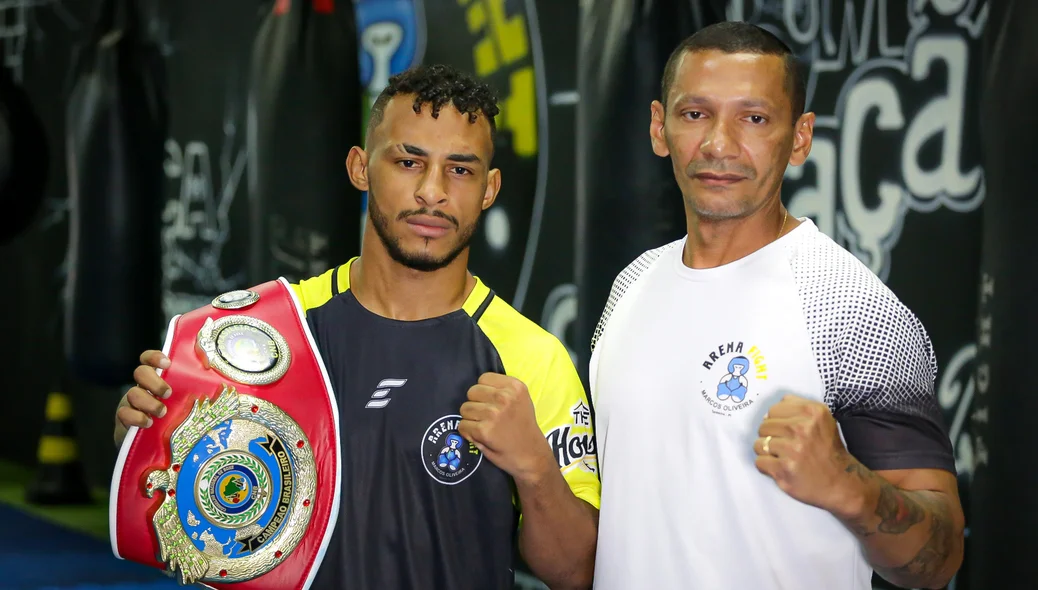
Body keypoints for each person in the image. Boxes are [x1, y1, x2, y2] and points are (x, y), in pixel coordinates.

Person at [113, 64, 599, 590]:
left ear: (489, 188)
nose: (433, 192)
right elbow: (189, 516)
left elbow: (576, 573)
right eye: (409, 162)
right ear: (360, 168)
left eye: (460, 170)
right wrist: (146, 442)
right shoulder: (274, 333)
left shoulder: (530, 357)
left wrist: (535, 469)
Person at [588, 21, 964, 590]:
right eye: (695, 114)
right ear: (659, 128)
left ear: (801, 138)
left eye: (754, 118)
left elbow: (941, 559)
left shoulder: (850, 308)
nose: (719, 143)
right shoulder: (631, 285)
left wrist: (850, 487)